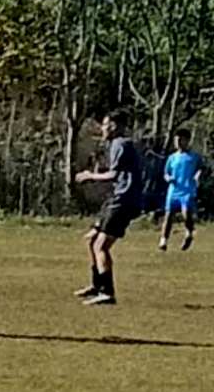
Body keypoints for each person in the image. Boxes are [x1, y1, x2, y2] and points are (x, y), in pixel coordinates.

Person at [74, 109, 144, 306]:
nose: (102, 129)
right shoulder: (117, 144)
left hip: (124, 200)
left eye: (104, 125)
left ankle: (107, 293)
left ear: (113, 126)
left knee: (101, 245)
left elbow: (114, 175)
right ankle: (97, 285)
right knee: (92, 240)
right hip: (117, 198)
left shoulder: (121, 144)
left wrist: (90, 176)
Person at [159, 128, 202, 252]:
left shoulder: (194, 157)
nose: (177, 143)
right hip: (173, 190)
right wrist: (168, 178)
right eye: (176, 140)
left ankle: (189, 232)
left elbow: (200, 168)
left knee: (186, 212)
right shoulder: (172, 157)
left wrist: (197, 176)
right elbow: (166, 173)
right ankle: (163, 240)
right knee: (168, 215)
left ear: (187, 141)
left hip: (187, 189)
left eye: (180, 140)